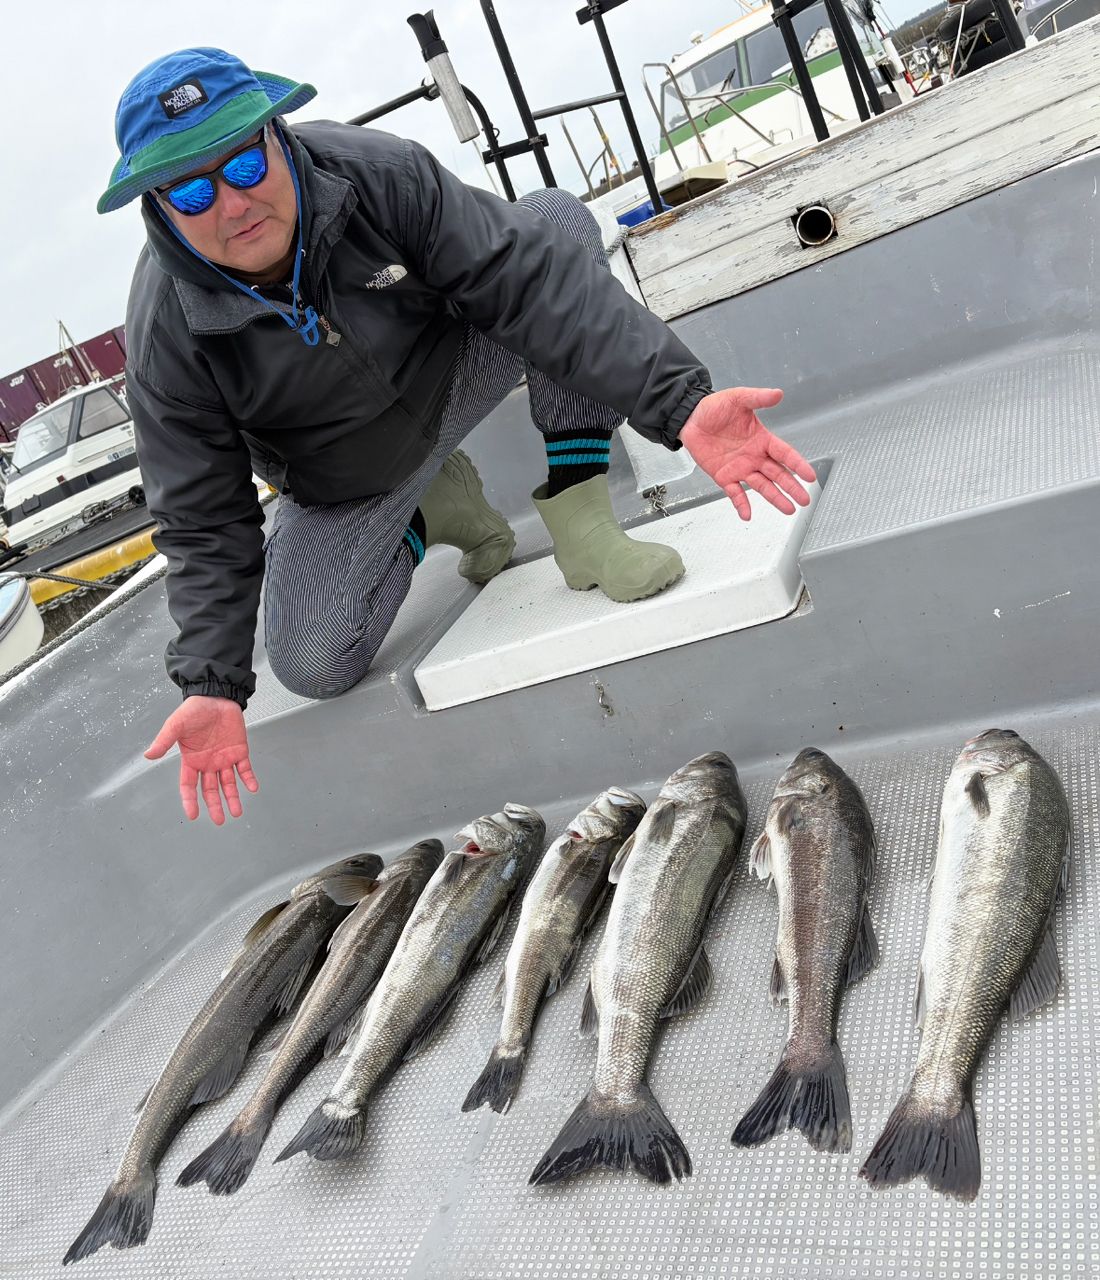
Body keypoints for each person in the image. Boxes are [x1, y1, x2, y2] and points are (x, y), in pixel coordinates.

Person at [100, 48, 815, 826]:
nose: (231, 206)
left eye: (242, 166)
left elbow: (527, 281)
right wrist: (210, 680)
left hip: (454, 374)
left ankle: (582, 515)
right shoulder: (167, 329)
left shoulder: (378, 174)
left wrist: (679, 402)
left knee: (553, 224)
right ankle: (427, 515)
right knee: (310, 663)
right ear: (159, 207)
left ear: (279, 135)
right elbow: (203, 517)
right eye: (193, 190)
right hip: (347, 477)